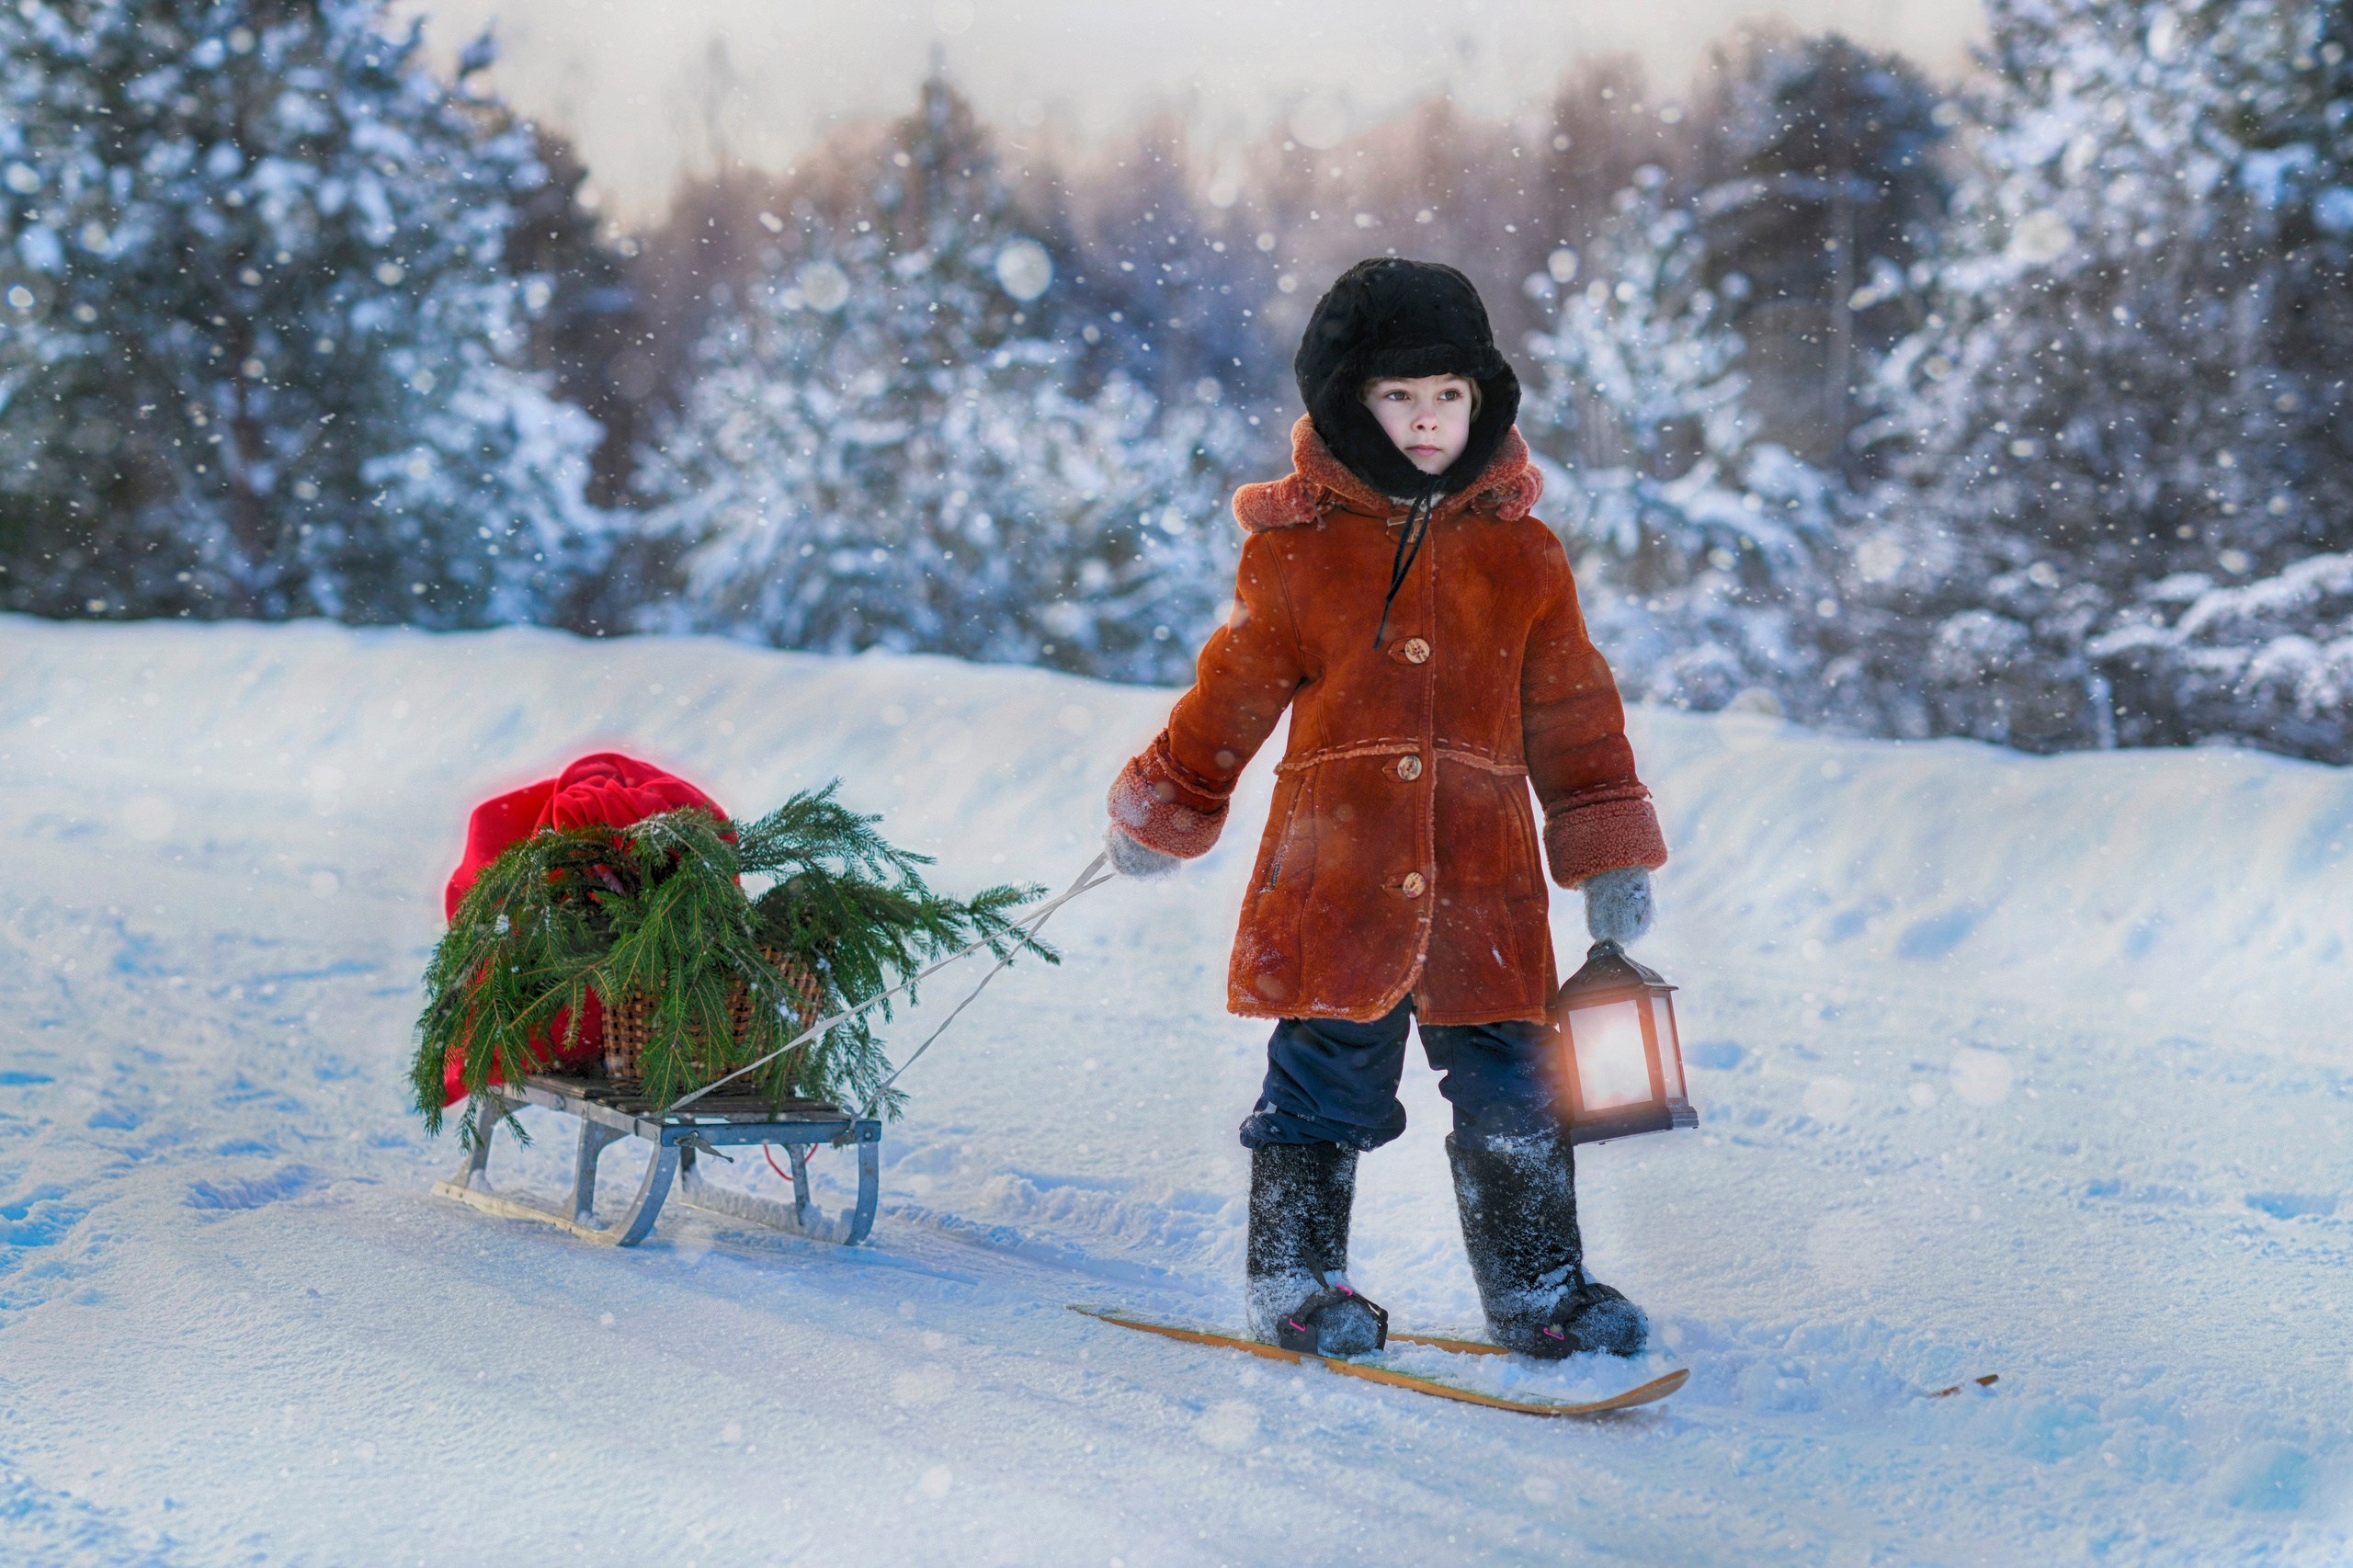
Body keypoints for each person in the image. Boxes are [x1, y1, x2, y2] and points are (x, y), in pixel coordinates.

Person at [1100, 257, 1668, 1359]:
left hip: (1486, 883)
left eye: (1448, 393)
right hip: (1337, 876)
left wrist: (1607, 844)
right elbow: (1232, 691)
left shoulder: (1523, 554)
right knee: (1325, 1078)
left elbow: (1573, 710)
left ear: (1481, 399)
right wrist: (1169, 801)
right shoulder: (1297, 550)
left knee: (1516, 1085)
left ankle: (1539, 1288)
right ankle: (1297, 1277)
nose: (1426, 417)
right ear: (1348, 403)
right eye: (1397, 394)